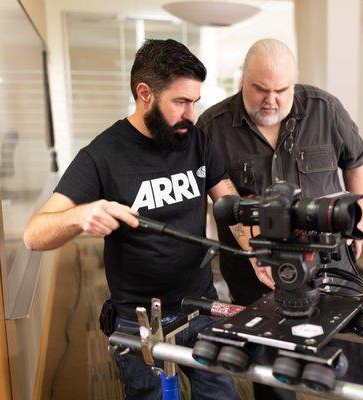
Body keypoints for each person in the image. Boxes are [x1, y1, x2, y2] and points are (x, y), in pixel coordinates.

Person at [23, 39, 239, 400]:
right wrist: (80, 215)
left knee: (221, 395)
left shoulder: (196, 140)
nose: (191, 113)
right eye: (181, 102)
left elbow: (229, 203)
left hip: (201, 307)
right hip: (139, 322)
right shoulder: (102, 155)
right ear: (145, 94)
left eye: (194, 102)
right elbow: (33, 234)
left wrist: (258, 245)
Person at [197, 38, 363, 399]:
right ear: (242, 79)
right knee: (272, 368)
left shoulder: (325, 109)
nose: (270, 100)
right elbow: (220, 196)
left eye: (281, 89)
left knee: (349, 353)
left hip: (329, 259)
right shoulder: (213, 125)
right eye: (260, 88)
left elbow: (356, 166)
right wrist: (256, 250)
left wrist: (359, 226)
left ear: (294, 82)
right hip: (251, 266)